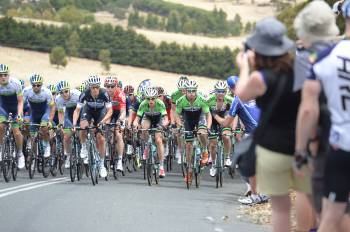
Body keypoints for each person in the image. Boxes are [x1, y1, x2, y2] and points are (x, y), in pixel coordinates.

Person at [235, 17, 312, 232]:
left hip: (273, 144)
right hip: (301, 140)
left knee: (280, 206)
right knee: (305, 195)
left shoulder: (261, 77)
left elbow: (241, 92)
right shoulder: (301, 69)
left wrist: (244, 67)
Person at [296, 1, 350, 231]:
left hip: (340, 143)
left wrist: (300, 150)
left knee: (332, 212)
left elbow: (309, 109)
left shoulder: (325, 57)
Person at [72, 75, 113, 178]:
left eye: (97, 87)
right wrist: (73, 124)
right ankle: (84, 147)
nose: (95, 90)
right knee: (83, 126)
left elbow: (110, 111)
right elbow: (77, 110)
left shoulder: (104, 94)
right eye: (93, 87)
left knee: (101, 139)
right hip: (88, 110)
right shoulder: (84, 94)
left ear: (99, 87)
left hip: (101, 113)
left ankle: (101, 164)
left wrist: (103, 121)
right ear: (89, 87)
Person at [175, 80, 211, 184]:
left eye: (193, 91)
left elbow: (208, 115)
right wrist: (180, 125)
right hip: (188, 120)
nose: (191, 93)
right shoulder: (181, 101)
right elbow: (176, 114)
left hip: (200, 117)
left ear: (196, 91)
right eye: (189, 91)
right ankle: (189, 170)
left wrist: (207, 127)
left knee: (202, 132)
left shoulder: (202, 100)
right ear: (185, 91)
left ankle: (204, 150)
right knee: (189, 145)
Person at [133, 87, 168, 177]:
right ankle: (147, 146)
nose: (150, 101)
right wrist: (135, 124)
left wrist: (165, 123)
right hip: (148, 118)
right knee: (144, 129)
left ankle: (161, 167)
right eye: (148, 98)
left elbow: (165, 118)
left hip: (158, 119)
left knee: (158, 140)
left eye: (153, 98)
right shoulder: (143, 104)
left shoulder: (160, 104)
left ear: (156, 98)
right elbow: (137, 119)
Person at [23, 74, 55, 159]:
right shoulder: (26, 91)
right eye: (34, 85)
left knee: (44, 127)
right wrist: (20, 116)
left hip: (45, 113)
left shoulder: (47, 92)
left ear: (42, 85)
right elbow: (21, 104)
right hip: (33, 113)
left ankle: (47, 145)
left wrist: (50, 121)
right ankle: (33, 153)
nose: (36, 87)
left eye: (38, 85)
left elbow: (52, 107)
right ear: (31, 85)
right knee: (27, 126)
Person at [206, 81, 233, 177]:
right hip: (212, 121)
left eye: (222, 91)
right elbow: (206, 114)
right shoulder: (209, 100)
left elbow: (233, 115)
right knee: (213, 144)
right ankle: (213, 164)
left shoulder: (230, 100)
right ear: (215, 91)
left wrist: (232, 128)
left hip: (225, 120)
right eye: (218, 91)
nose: (220, 93)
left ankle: (227, 157)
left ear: (225, 92)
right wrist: (207, 127)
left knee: (226, 136)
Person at [0, 64, 25, 168]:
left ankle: (20, 154)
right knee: (0, 126)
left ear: (8, 75)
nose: (3, 77)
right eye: (0, 75)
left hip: (15, 109)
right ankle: (1, 148)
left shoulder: (16, 84)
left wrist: (19, 115)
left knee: (16, 132)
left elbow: (20, 102)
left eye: (5, 75)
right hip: (2, 108)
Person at [55, 80, 81, 168]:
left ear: (69, 90)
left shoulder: (77, 95)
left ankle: (84, 149)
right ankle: (69, 156)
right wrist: (61, 123)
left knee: (81, 133)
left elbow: (85, 109)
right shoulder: (58, 99)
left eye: (66, 91)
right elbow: (61, 113)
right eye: (61, 92)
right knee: (66, 136)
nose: (64, 94)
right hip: (69, 115)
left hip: (80, 113)